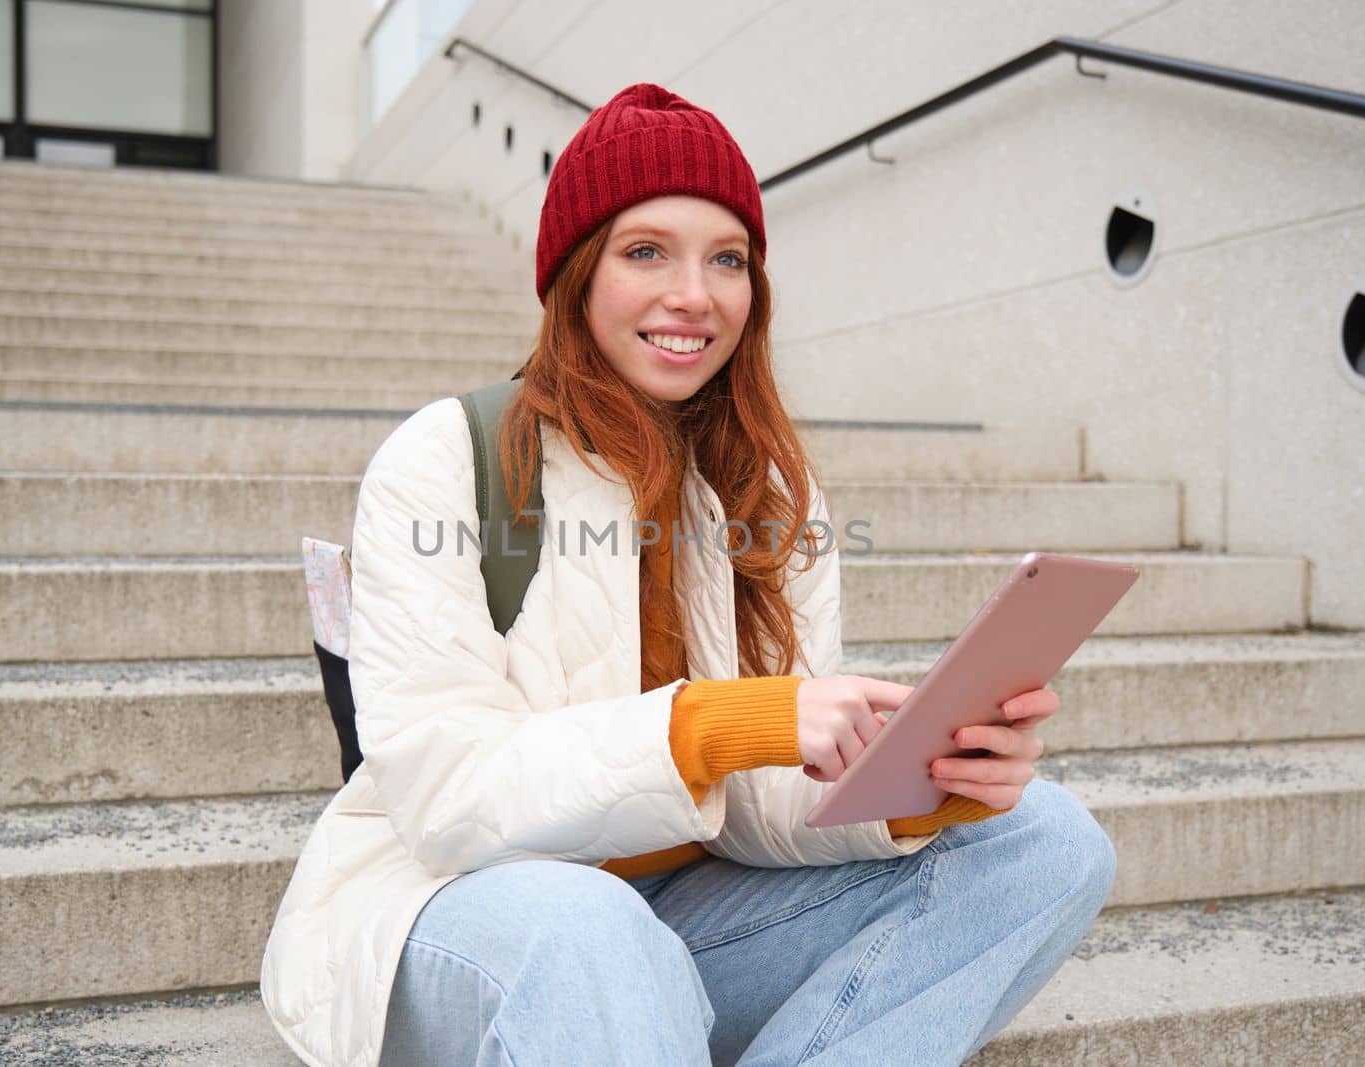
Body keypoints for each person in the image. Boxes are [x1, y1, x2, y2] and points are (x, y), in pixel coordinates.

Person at [260, 82, 1116, 1067]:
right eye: (645, 251)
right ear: (575, 275)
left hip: (681, 919)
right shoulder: (449, 457)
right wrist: (712, 722)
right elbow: (449, 801)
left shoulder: (770, 492)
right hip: (459, 919)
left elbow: (755, 810)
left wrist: (911, 790)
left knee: (1041, 837)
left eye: (727, 259)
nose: (694, 294)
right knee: (590, 924)